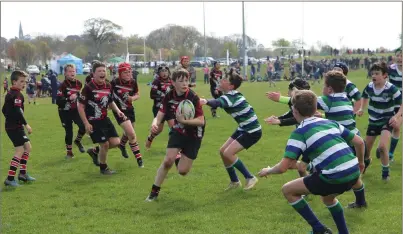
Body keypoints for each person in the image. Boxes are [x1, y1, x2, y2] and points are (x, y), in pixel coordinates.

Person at [258, 90, 366, 234]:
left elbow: (284, 167)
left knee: (288, 190)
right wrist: (360, 162)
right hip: (353, 172)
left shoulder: (299, 132)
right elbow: (359, 142)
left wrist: (268, 170)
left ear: (294, 110)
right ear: (316, 108)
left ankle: (318, 229)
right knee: (328, 198)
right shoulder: (330, 123)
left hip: (333, 176)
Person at [145, 68, 205, 201]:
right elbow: (160, 114)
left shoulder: (193, 97)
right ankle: (154, 192)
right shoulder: (169, 96)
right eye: (181, 81)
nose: (185, 84)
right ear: (173, 83)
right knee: (167, 161)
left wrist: (184, 121)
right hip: (178, 131)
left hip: (194, 135)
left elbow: (201, 121)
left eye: (186, 80)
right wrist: (155, 123)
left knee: (182, 171)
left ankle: (180, 157)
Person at [200, 69, 260, 190]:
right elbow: (220, 100)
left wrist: (205, 101)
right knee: (223, 151)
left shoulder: (231, 96)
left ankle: (250, 177)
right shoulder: (230, 95)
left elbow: (217, 102)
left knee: (228, 153)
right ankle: (234, 181)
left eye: (225, 80)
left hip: (252, 131)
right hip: (243, 128)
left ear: (231, 86)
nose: (221, 80)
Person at [77, 62, 126, 174]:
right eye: (99, 71)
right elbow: (80, 106)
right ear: (93, 74)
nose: (102, 73)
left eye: (104, 71)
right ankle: (103, 168)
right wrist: (86, 123)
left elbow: (110, 101)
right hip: (93, 121)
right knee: (105, 144)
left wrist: (118, 111)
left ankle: (95, 151)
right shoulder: (88, 88)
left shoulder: (108, 86)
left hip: (105, 119)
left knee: (116, 142)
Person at [357, 62, 402, 181]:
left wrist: (396, 116)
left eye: (377, 73)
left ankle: (385, 172)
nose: (374, 76)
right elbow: (364, 96)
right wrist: (362, 108)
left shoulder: (391, 89)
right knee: (366, 150)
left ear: (385, 75)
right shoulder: (369, 86)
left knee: (382, 146)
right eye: (372, 73)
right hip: (373, 121)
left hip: (387, 120)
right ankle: (366, 163)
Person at [2, 70, 35, 187]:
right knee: (20, 150)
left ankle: (22, 174)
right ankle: (10, 179)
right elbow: (17, 111)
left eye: (24, 81)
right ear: (14, 81)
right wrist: (26, 124)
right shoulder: (17, 95)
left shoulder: (10, 93)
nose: (24, 84)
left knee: (27, 147)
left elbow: (4, 110)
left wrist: (9, 118)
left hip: (14, 126)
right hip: (14, 127)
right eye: (21, 81)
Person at [110, 62, 143, 167]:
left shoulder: (133, 82)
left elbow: (137, 94)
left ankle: (122, 145)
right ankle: (139, 160)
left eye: (129, 72)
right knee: (132, 134)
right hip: (119, 111)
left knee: (129, 132)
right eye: (125, 72)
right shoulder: (114, 82)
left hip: (130, 109)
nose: (129, 74)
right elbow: (107, 95)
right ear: (120, 74)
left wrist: (132, 98)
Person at [56, 64, 86, 159]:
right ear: (65, 73)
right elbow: (58, 101)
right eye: (70, 71)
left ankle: (77, 140)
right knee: (69, 132)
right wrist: (68, 98)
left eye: (73, 71)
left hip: (75, 110)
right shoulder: (62, 85)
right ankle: (69, 152)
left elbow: (79, 95)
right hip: (64, 111)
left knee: (84, 126)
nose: (72, 73)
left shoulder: (79, 84)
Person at [145, 65, 174, 150]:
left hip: (169, 108)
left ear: (169, 72)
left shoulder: (172, 82)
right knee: (159, 129)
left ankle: (172, 147)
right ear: (159, 73)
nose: (164, 73)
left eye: (166, 71)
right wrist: (162, 96)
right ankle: (150, 138)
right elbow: (152, 95)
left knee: (173, 128)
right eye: (162, 72)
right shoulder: (156, 82)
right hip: (159, 108)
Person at [387, 47, 402, 161]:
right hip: (390, 102)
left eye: (402, 56)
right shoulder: (390, 69)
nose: (400, 58)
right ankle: (383, 148)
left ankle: (390, 152)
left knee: (396, 126)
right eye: (398, 55)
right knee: (391, 125)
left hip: (401, 103)